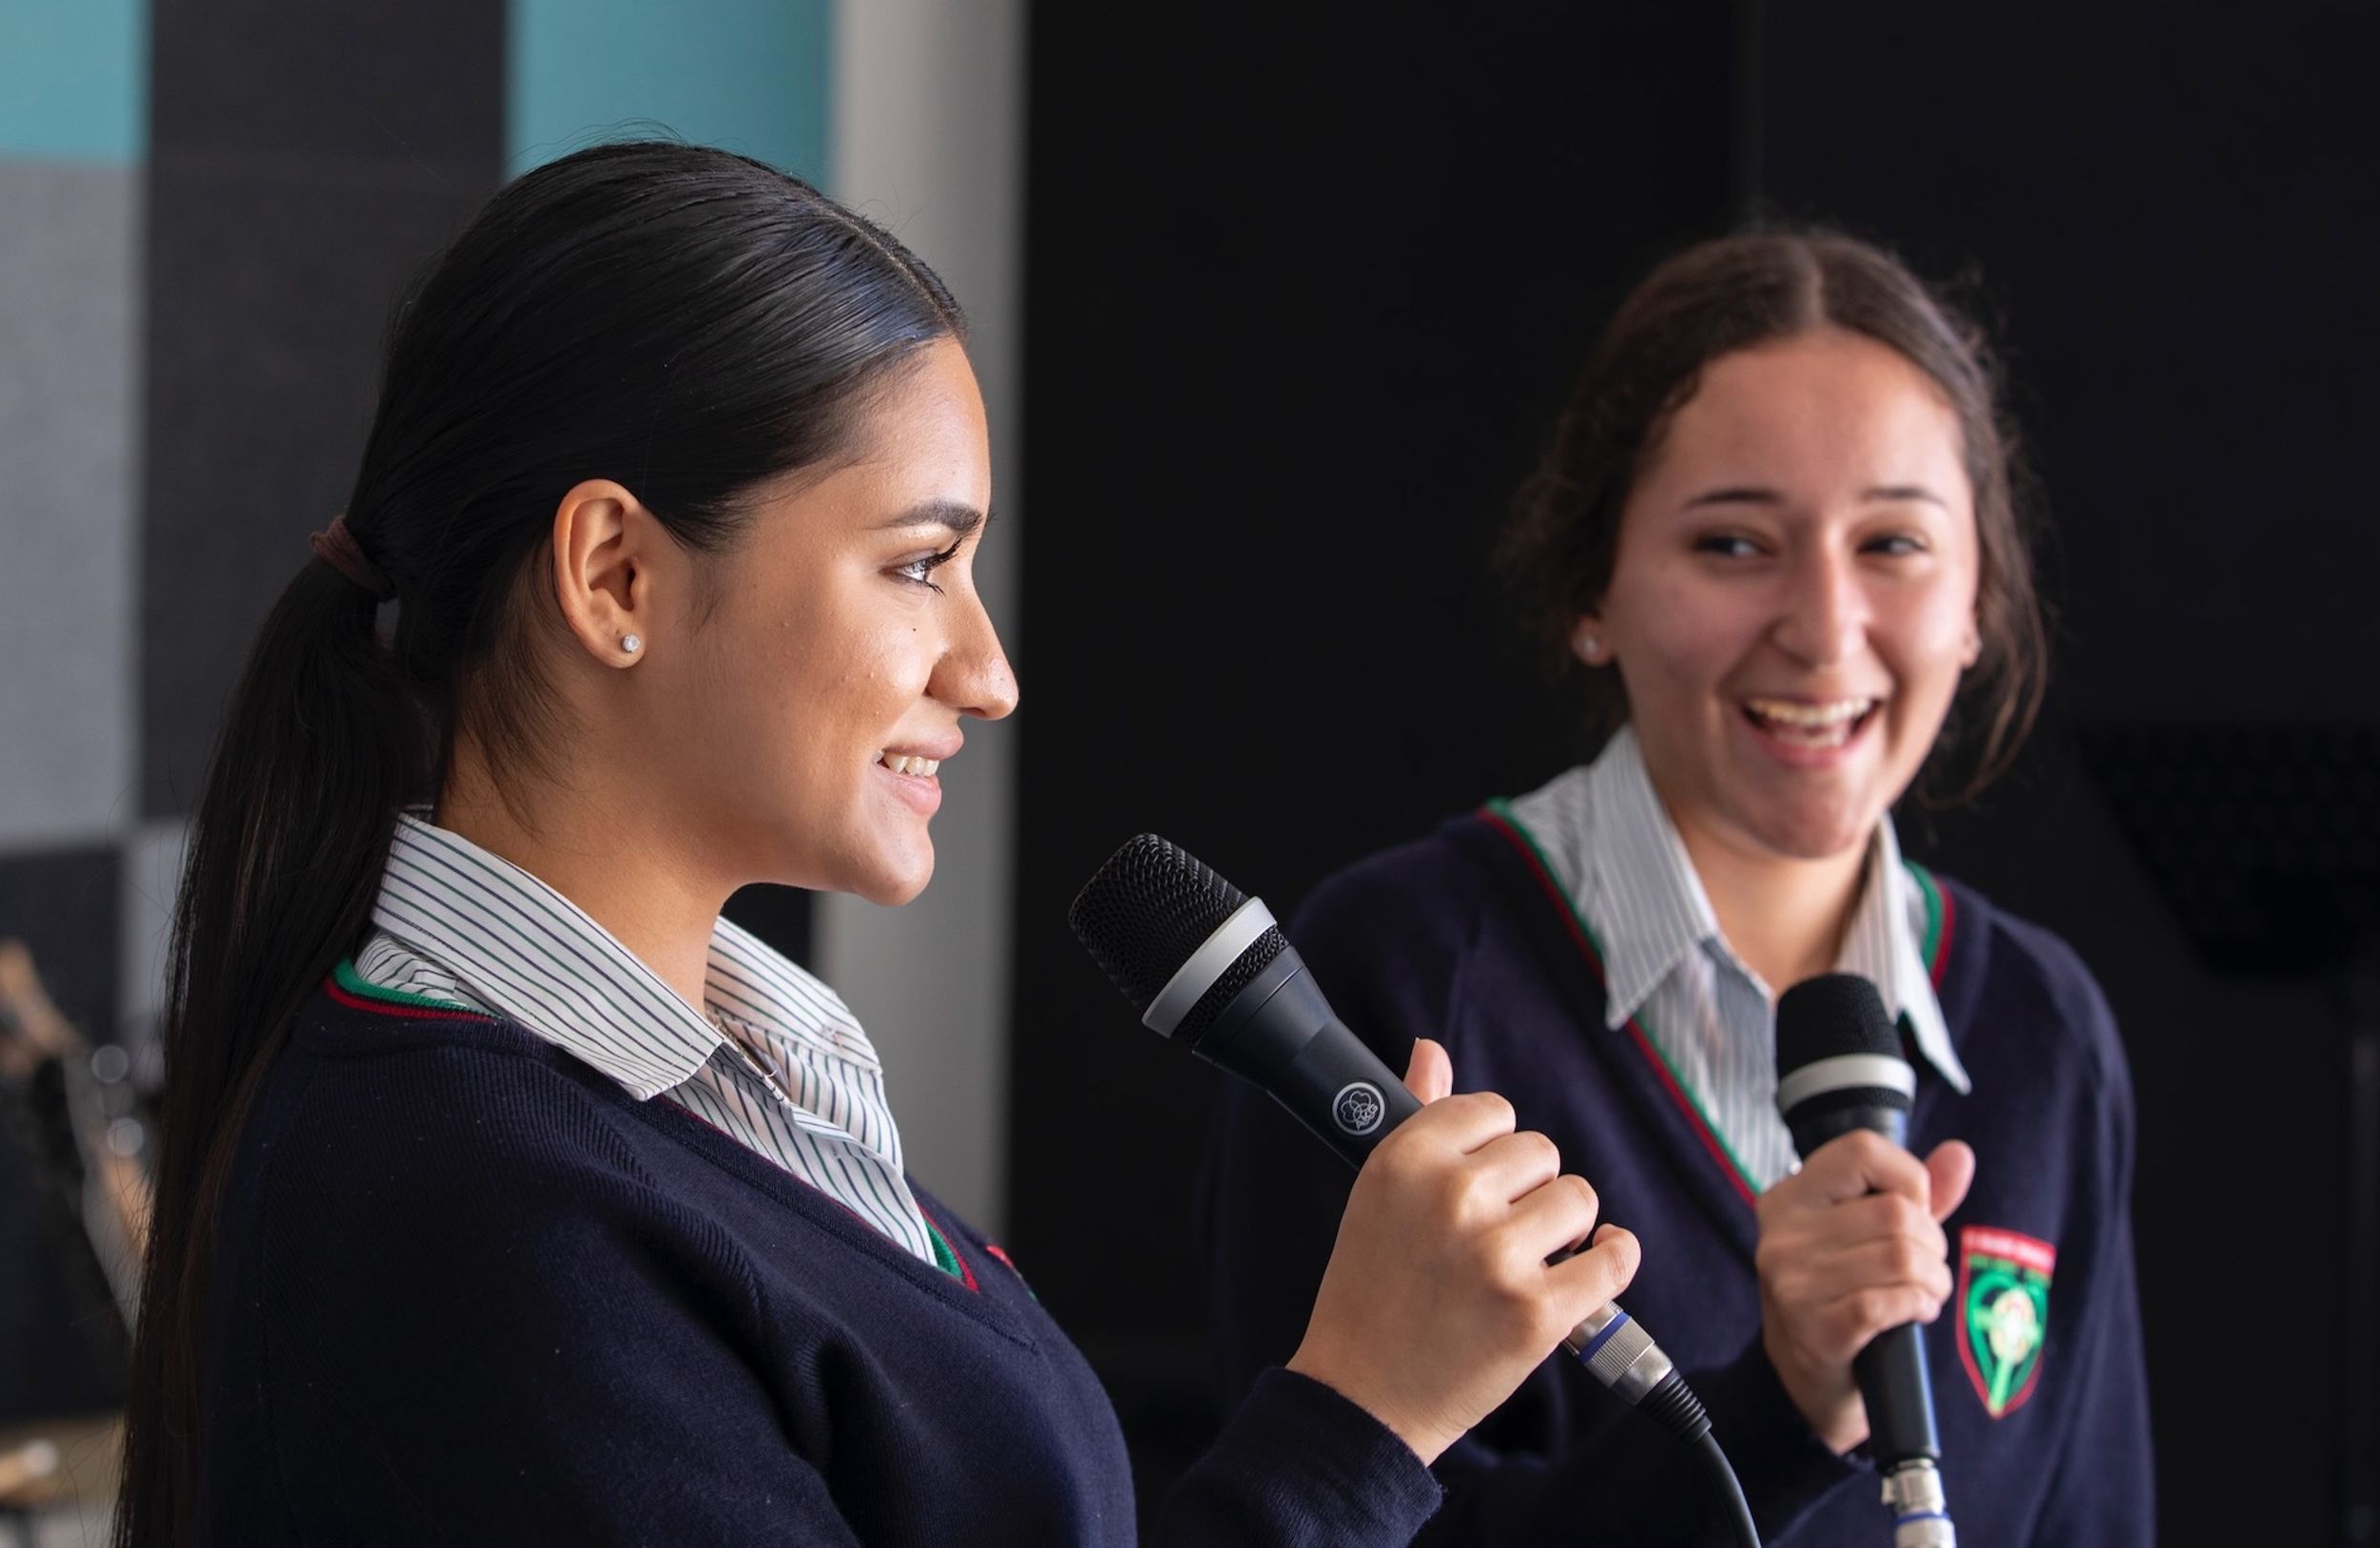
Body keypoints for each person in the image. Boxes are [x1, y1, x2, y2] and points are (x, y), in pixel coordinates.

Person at [110, 141, 1639, 1547]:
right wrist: (1356, 1423)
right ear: (616, 575)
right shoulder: (477, 1214)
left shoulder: (719, 1075)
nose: (988, 673)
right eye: (919, 564)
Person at [1202, 231, 2153, 1545]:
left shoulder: (2044, 1027)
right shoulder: (1404, 970)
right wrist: (1781, 1406)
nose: (1823, 630)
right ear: (1593, 589)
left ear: (1978, 600)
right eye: (1732, 544)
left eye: (1892, 543)